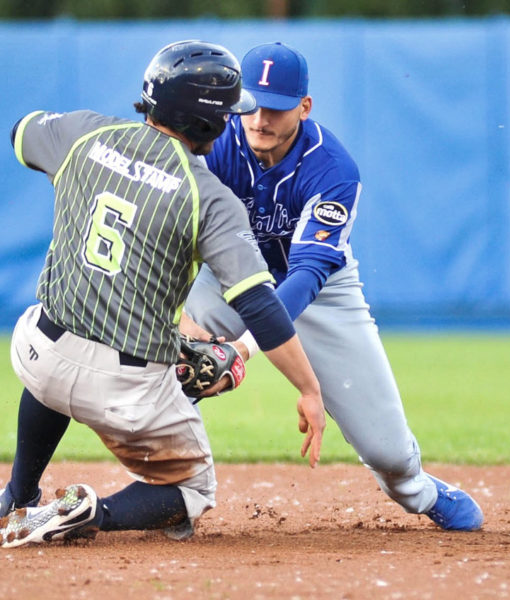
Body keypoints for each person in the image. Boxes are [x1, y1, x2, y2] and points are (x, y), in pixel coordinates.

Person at [0, 40, 326, 549]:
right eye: (224, 113)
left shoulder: (86, 133)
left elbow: (21, 132)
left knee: (52, 361)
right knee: (194, 488)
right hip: (124, 386)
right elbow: (259, 306)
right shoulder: (210, 196)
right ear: (207, 123)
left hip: (38, 352)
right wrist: (308, 388)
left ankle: (17, 493)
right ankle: (94, 512)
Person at [182, 42, 484, 531]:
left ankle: (421, 490)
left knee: (389, 452)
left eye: (276, 108)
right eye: (250, 104)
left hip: (321, 295)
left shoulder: (333, 168)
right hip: (228, 279)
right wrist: (179, 311)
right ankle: (165, 492)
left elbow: (305, 275)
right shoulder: (210, 146)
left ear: (304, 106)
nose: (260, 119)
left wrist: (241, 349)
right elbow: (167, 234)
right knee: (164, 369)